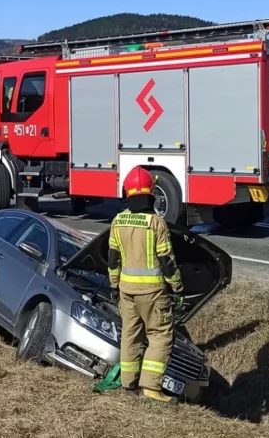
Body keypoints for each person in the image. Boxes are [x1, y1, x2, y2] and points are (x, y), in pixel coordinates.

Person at [107, 166, 183, 403]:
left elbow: (112, 258)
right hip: (152, 292)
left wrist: (114, 285)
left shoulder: (118, 221)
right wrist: (177, 287)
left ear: (127, 193)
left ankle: (128, 384)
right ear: (152, 192)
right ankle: (151, 387)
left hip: (126, 291)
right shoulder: (156, 223)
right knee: (160, 335)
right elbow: (167, 261)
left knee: (130, 334)